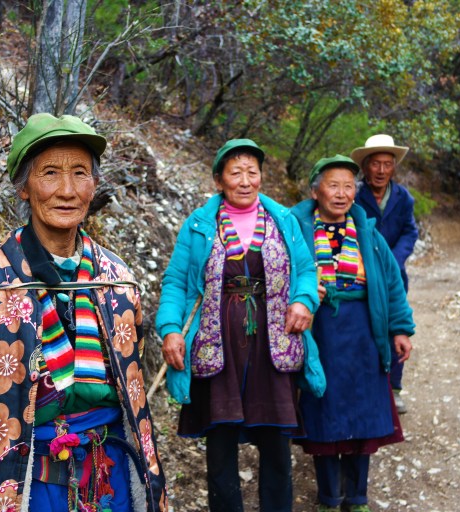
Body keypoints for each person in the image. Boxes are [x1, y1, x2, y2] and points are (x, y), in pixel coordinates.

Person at [0, 113, 167, 512]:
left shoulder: (119, 283)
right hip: (22, 487)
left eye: (80, 173)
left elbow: (131, 390)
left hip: (110, 479)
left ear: (94, 185)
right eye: (49, 173)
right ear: (24, 189)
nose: (67, 190)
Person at [156, 139, 325, 512]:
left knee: (277, 446)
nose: (245, 180)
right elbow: (175, 281)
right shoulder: (199, 224)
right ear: (219, 180)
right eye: (236, 173)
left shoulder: (284, 220)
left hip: (273, 342)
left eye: (252, 172)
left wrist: (303, 300)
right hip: (218, 344)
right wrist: (170, 328)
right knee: (220, 445)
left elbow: (307, 271)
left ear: (261, 177)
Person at [292, 155, 415, 512]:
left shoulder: (368, 234)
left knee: (363, 414)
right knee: (324, 411)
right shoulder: (295, 229)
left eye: (349, 186)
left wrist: (400, 328)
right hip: (321, 334)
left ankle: (357, 497)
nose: (342, 193)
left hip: (364, 332)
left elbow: (390, 283)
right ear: (316, 190)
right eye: (334, 185)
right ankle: (329, 498)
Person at [351, 134, 418, 414]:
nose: (381, 170)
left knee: (395, 327)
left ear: (394, 168)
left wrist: (394, 260)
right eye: (375, 164)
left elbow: (409, 231)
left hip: (393, 276)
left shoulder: (403, 198)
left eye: (387, 164)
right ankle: (364, 385)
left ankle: (394, 388)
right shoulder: (352, 194)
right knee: (362, 325)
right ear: (365, 167)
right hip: (358, 273)